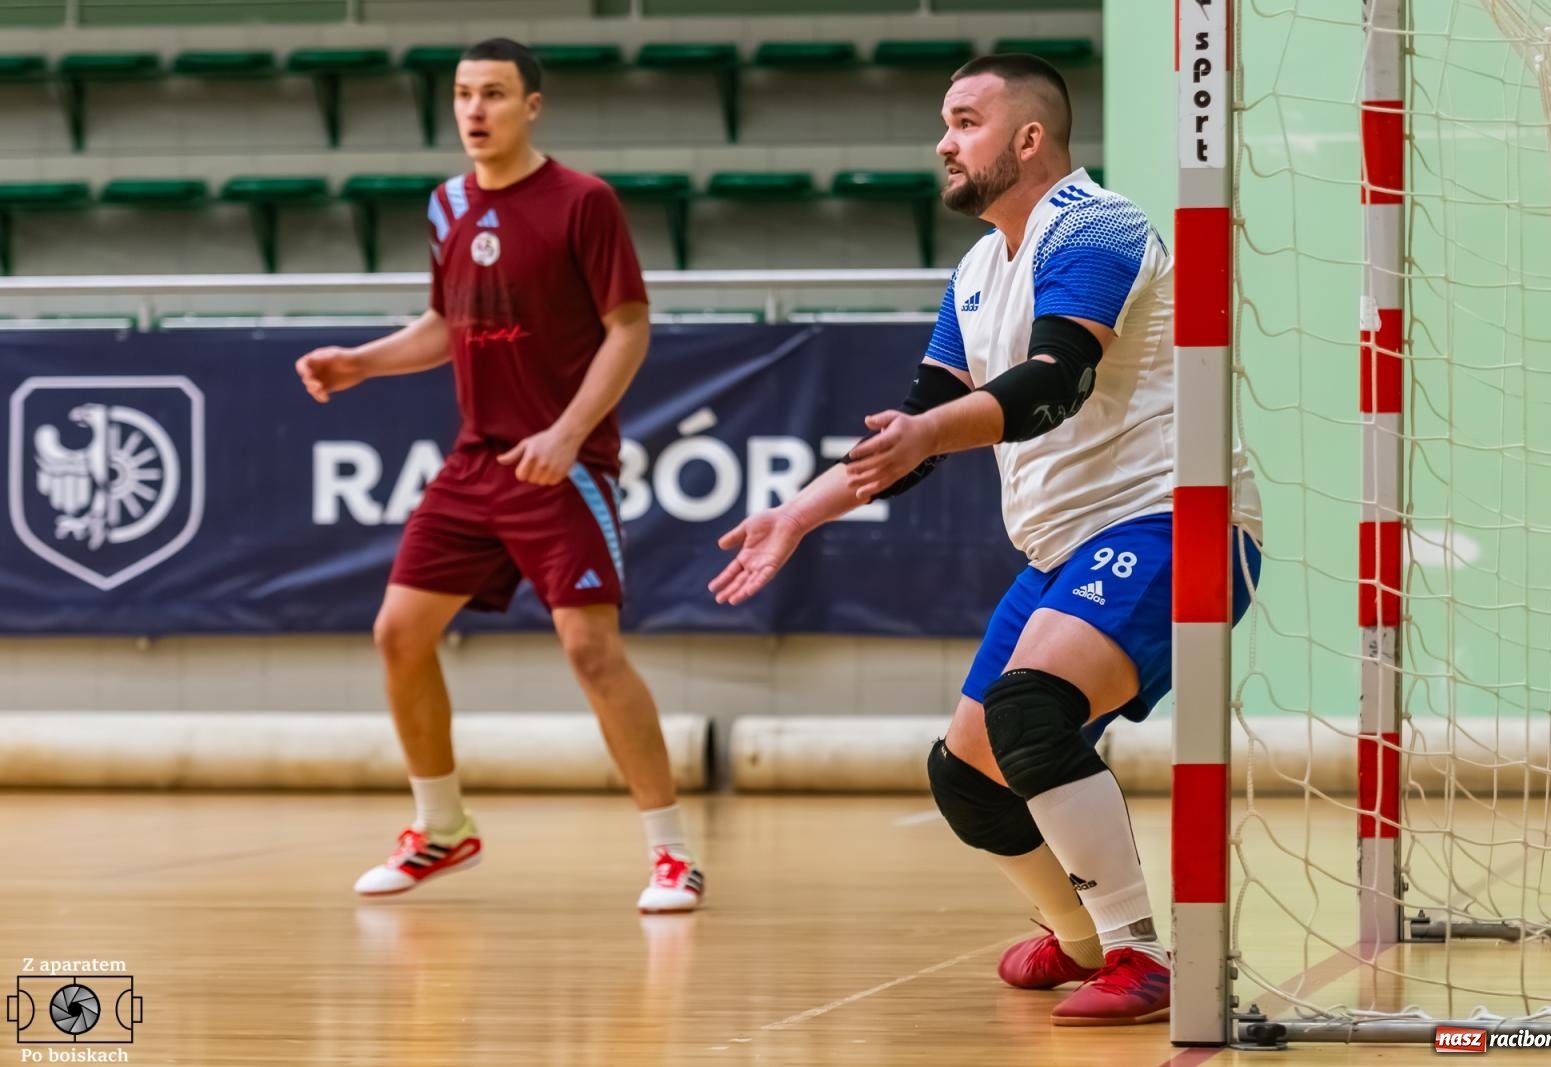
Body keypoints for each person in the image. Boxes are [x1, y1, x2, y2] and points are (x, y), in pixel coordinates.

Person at [711, 53, 1262, 1025]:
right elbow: (916, 431)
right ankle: (1083, 939)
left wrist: (932, 428)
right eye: (943, 120)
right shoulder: (974, 270)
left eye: (964, 120)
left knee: (1028, 710)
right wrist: (797, 512)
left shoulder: (1097, 226)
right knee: (965, 774)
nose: (942, 140)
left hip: (1178, 520)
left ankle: (1142, 953)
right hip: (1069, 548)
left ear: (1028, 139)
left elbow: (1055, 381)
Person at [295, 38, 703, 913]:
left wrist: (566, 433)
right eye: (462, 95)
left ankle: (672, 853)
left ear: (533, 106)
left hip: (564, 464)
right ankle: (442, 828)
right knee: (398, 632)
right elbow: (446, 323)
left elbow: (628, 328)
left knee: (591, 649)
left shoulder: (584, 201)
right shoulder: (446, 204)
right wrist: (361, 363)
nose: (475, 110)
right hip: (476, 461)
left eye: (493, 94)